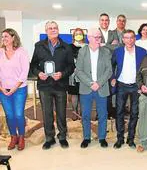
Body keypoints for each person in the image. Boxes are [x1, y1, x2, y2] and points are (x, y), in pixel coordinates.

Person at [30, 21, 75, 150]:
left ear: (58, 30)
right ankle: (49, 138)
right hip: (44, 85)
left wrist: (62, 74)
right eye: (50, 28)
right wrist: (39, 73)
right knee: (47, 113)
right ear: (46, 31)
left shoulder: (66, 47)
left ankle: (62, 137)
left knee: (61, 112)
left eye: (55, 28)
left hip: (60, 85)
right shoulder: (39, 46)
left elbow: (71, 66)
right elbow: (33, 65)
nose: (53, 30)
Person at [76, 28, 112, 148]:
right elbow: (79, 71)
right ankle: (86, 137)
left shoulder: (106, 51)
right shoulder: (82, 51)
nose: (98, 39)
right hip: (86, 88)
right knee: (85, 114)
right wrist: (91, 83)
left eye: (99, 37)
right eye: (96, 37)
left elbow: (109, 70)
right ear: (89, 38)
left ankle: (102, 137)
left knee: (103, 114)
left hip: (101, 88)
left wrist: (99, 83)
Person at [112, 29, 147, 149]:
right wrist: (112, 78)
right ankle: (120, 138)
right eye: (126, 37)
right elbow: (112, 65)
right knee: (119, 112)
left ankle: (131, 139)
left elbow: (145, 70)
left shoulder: (142, 52)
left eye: (131, 37)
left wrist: (142, 84)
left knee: (134, 113)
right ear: (123, 39)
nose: (129, 40)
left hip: (136, 86)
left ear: (134, 38)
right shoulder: (118, 51)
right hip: (121, 85)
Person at [0, 28, 29, 151]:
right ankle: (13, 137)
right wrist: (1, 88)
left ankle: (21, 137)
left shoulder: (21, 52)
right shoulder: (0, 52)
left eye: (6, 36)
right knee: (9, 115)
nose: (3, 39)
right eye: (2, 37)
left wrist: (14, 88)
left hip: (19, 89)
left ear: (13, 38)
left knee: (18, 114)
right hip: (3, 90)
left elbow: (24, 72)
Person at [68, 28, 87, 120]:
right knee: (74, 94)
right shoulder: (69, 47)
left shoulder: (87, 46)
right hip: (73, 74)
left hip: (85, 74)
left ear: (83, 36)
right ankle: (74, 113)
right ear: (73, 36)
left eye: (80, 34)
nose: (78, 35)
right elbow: (68, 60)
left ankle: (83, 114)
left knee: (83, 95)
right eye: (76, 34)